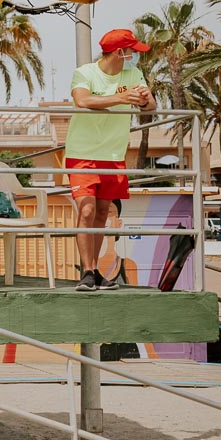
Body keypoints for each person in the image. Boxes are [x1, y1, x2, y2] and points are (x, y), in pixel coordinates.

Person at [67, 28, 155, 292]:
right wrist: (119, 98)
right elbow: (81, 100)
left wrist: (142, 101)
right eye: (132, 51)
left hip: (114, 154)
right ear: (120, 52)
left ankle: (95, 272)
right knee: (87, 210)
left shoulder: (134, 73)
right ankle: (87, 271)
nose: (135, 56)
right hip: (82, 153)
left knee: (104, 213)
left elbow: (150, 105)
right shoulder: (85, 72)